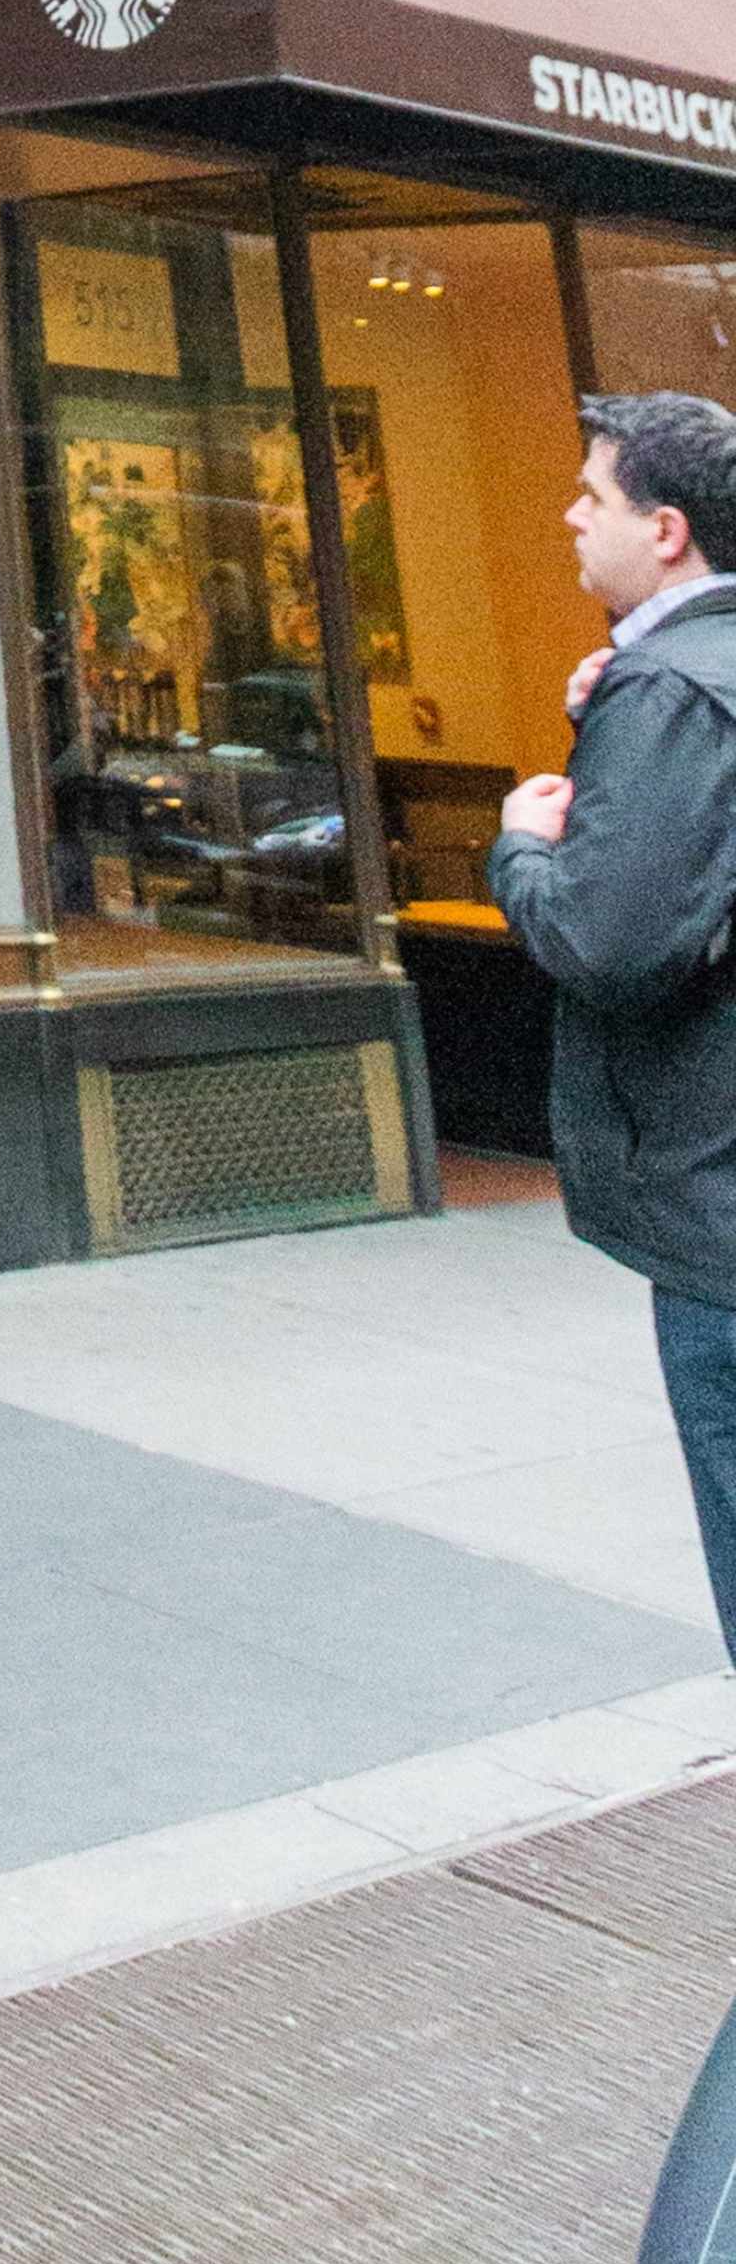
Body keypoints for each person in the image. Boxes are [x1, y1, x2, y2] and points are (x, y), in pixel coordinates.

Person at [492, 388, 736, 1649]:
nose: (571, 515)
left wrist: (521, 852)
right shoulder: (675, 683)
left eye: (595, 494)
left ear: (669, 530)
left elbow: (611, 942)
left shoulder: (674, 692)